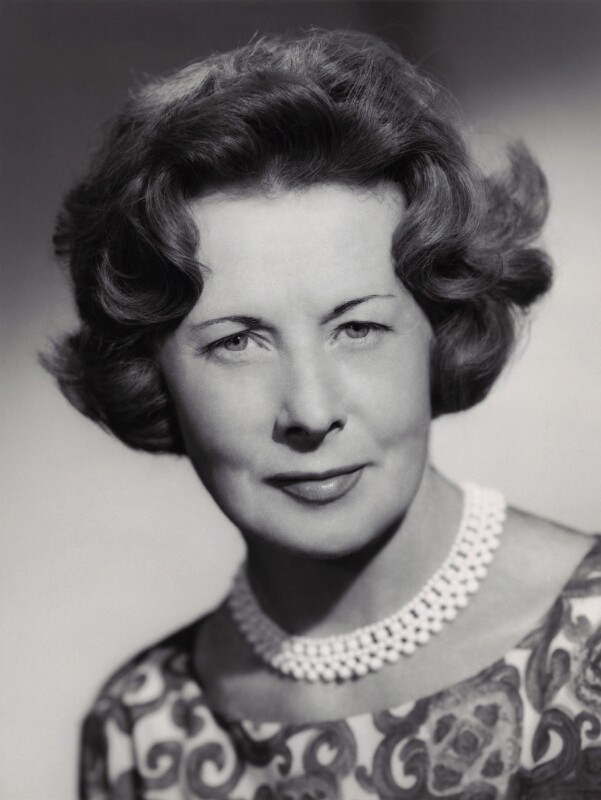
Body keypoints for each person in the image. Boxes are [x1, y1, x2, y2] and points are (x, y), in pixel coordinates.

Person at [47, 30, 600, 800]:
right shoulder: (143, 730)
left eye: (358, 328)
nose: (309, 410)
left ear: (438, 329)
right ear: (150, 372)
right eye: (237, 341)